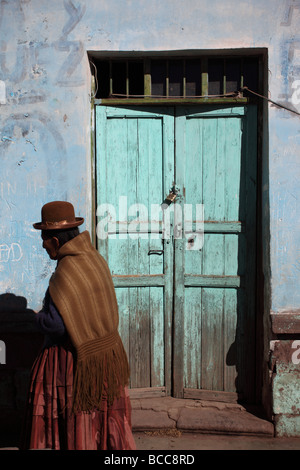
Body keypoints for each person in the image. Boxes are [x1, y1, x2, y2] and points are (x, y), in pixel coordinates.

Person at [21, 201, 136, 450]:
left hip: (76, 363)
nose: (42, 245)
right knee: (101, 417)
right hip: (105, 358)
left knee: (76, 415)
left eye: (44, 238)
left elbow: (57, 324)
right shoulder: (95, 259)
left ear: (55, 240)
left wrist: (37, 317)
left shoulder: (66, 270)